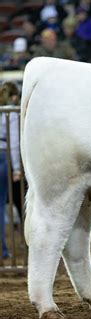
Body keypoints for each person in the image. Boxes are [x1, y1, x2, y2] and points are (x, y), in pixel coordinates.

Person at [0, 82, 22, 259]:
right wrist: (16, 168)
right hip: (4, 156)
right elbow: (14, 143)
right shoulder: (11, 113)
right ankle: (3, 249)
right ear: (14, 97)